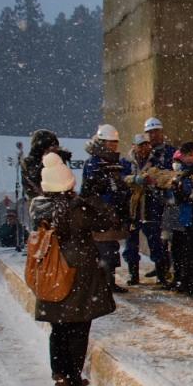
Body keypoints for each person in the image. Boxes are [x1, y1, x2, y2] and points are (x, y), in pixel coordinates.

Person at [29, 152, 118, 386]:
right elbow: (106, 221)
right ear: (68, 183)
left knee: (58, 328)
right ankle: (73, 376)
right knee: (79, 326)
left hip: (50, 272)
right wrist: (92, 198)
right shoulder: (77, 208)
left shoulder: (39, 207)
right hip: (77, 272)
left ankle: (59, 373)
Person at [80, 124, 131, 293]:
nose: (113, 146)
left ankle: (108, 281)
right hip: (101, 213)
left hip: (112, 211)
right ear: (101, 142)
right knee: (104, 249)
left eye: (114, 143)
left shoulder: (113, 162)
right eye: (110, 143)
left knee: (110, 248)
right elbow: (92, 192)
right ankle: (105, 283)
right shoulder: (94, 164)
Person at [122, 133, 169, 285]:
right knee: (131, 243)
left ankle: (161, 275)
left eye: (146, 145)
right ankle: (133, 274)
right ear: (134, 146)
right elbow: (122, 179)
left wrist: (154, 182)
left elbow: (163, 178)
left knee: (156, 242)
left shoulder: (156, 162)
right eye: (141, 145)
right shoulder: (126, 162)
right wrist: (134, 180)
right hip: (132, 209)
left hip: (151, 208)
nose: (144, 148)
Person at [167, 142, 193, 298]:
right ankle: (188, 283)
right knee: (186, 254)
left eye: (189, 156)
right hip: (186, 218)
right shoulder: (185, 172)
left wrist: (182, 191)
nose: (186, 159)